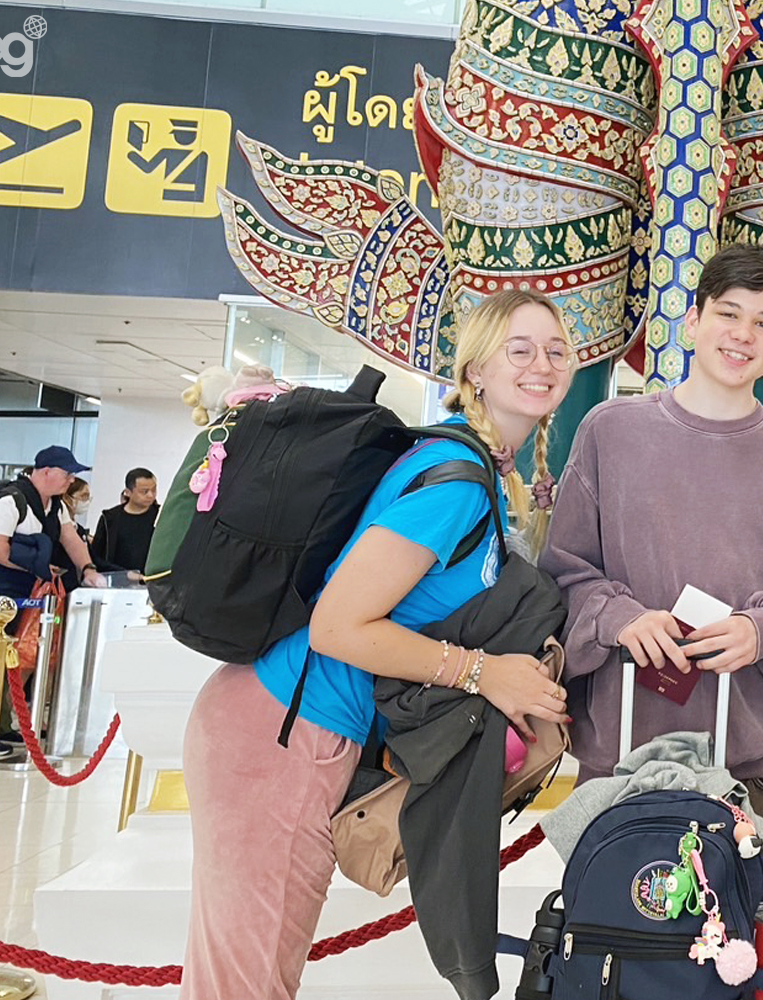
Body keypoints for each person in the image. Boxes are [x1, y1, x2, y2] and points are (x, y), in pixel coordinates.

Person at [179, 289, 576, 1000]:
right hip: (281, 731)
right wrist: (483, 673)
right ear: (476, 368)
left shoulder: (479, 470)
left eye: (555, 350)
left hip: (295, 727)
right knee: (246, 982)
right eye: (520, 349)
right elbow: (339, 624)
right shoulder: (455, 482)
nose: (542, 364)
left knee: (250, 974)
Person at [541, 243, 763, 847]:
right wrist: (618, 617)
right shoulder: (610, 432)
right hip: (619, 766)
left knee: (743, 939)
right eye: (728, 314)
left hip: (748, 769)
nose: (743, 335)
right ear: (693, 320)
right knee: (615, 937)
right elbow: (562, 575)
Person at [0, 447, 107, 753]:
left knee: (13, 657)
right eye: (67, 474)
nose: (70, 481)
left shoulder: (55, 507)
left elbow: (71, 539)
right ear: (47, 471)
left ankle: (4, 725)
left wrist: (87, 568)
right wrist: (37, 566)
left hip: (26, 588)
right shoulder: (10, 501)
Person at [91, 467, 159, 572]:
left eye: (153, 490)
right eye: (144, 491)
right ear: (128, 492)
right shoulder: (109, 518)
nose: (151, 495)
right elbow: (96, 556)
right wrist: (124, 574)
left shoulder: (160, 515)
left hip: (153, 581)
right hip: (117, 579)